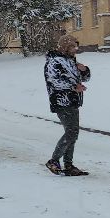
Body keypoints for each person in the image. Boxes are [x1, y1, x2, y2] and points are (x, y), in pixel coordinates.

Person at [43, 35, 92, 176]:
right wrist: (73, 87)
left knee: (73, 133)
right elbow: (54, 80)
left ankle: (68, 165)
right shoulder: (54, 61)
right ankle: (54, 160)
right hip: (61, 101)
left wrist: (84, 70)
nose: (75, 49)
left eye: (76, 46)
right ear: (65, 47)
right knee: (71, 132)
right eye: (72, 46)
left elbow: (85, 78)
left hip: (73, 101)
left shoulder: (70, 61)